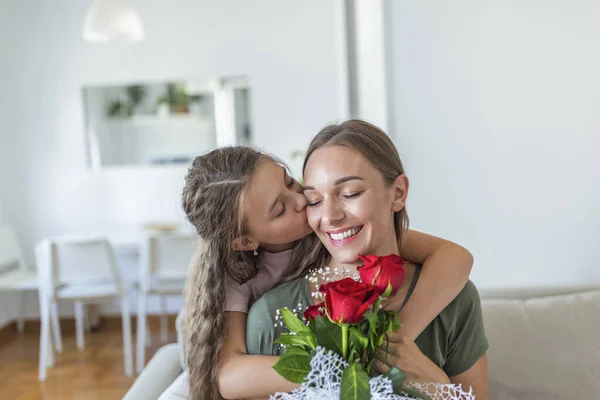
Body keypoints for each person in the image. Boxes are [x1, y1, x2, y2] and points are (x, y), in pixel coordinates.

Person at [183, 142, 474, 400]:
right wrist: (339, 365)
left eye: (291, 183)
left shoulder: (336, 233)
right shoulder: (240, 276)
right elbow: (229, 376)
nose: (302, 202)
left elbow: (454, 256)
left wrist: (395, 342)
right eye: (279, 210)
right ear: (244, 241)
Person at [246, 120, 489, 398]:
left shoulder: (455, 299)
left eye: (350, 193)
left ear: (397, 193)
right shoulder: (272, 313)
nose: (330, 215)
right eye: (314, 200)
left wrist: (435, 384)